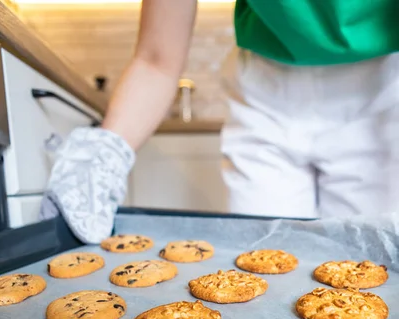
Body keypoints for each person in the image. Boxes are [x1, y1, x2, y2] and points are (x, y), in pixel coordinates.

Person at [40, 0, 399, 243]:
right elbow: (156, 59)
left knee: (366, 262)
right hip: (265, 88)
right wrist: (104, 151)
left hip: (385, 85)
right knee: (262, 255)